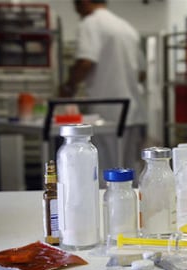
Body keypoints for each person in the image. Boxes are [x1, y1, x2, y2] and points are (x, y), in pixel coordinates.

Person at [59, 0, 147, 186]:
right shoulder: (126, 28)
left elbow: (85, 62)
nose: (75, 9)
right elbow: (142, 73)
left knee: (105, 172)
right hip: (131, 110)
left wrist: (68, 86)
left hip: (107, 112)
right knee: (129, 170)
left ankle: (105, 212)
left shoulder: (91, 24)